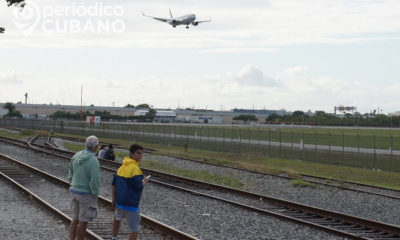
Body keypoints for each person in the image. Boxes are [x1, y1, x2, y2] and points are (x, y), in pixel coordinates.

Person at [111, 144, 148, 240]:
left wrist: (114, 199)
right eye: (138, 153)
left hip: (120, 202)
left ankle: (114, 238)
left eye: (141, 153)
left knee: (117, 218)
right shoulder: (136, 169)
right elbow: (138, 187)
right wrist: (144, 183)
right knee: (135, 228)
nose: (140, 155)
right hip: (131, 204)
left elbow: (114, 184)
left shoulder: (121, 167)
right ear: (132, 154)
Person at [68, 135, 100, 240]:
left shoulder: (76, 155)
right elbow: (94, 180)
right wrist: (95, 194)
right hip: (86, 194)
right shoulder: (93, 160)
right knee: (83, 223)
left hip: (74, 190)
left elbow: (70, 172)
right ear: (96, 147)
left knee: (75, 219)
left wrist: (72, 183)